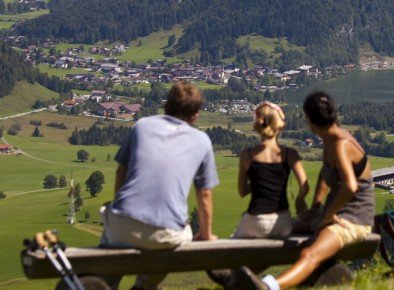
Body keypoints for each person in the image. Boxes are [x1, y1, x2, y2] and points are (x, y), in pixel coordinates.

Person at [238, 92, 374, 290]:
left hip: (353, 221)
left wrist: (329, 215)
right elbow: (324, 176)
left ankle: (268, 287)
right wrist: (316, 206)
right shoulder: (330, 139)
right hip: (334, 216)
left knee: (310, 253)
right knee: (282, 237)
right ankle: (239, 278)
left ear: (310, 120)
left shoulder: (341, 144)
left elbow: (350, 186)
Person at [99, 81, 219, 290]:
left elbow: (121, 172)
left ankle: (107, 284)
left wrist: (120, 205)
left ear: (167, 105)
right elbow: (205, 194)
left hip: (122, 224)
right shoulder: (201, 141)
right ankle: (145, 285)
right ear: (196, 114)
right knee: (178, 238)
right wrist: (206, 234)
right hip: (166, 232)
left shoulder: (142, 126)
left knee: (111, 224)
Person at [232, 101, 309, 239]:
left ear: (257, 125)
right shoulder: (290, 154)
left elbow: (242, 191)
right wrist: (300, 200)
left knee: (233, 243)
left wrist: (259, 184)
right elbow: (305, 186)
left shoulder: (247, 155)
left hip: (255, 220)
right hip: (282, 221)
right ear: (280, 125)